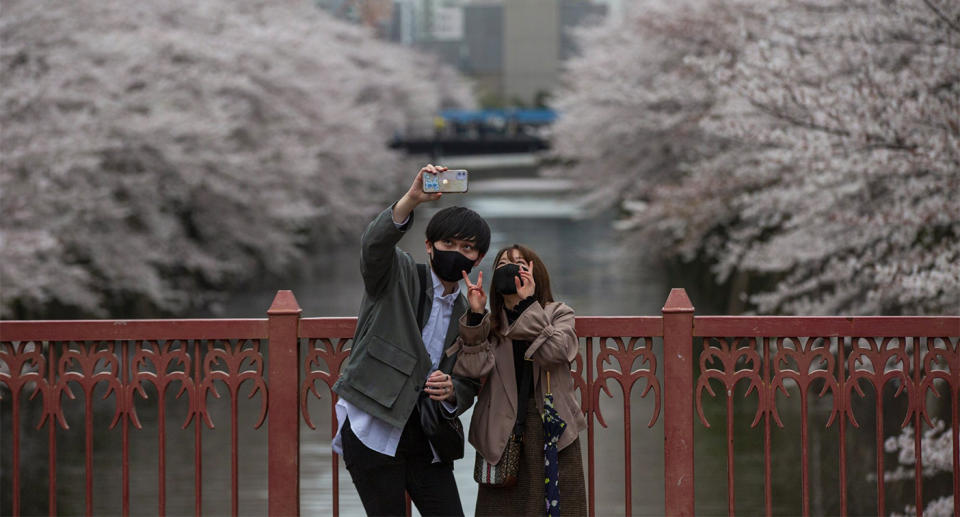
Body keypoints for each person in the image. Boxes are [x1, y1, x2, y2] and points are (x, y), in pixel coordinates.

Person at [331, 164, 490, 516]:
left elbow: (468, 382)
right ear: (429, 245)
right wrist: (412, 199)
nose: (456, 252)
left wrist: (452, 393)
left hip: (426, 435)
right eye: (448, 243)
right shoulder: (397, 275)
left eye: (467, 247)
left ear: (478, 258)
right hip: (372, 425)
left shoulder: (469, 311)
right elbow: (374, 247)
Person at [452, 244, 588, 516]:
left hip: (551, 430)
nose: (512, 269)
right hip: (501, 433)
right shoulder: (489, 325)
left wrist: (527, 305)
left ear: (535, 273)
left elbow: (554, 354)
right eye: (503, 264)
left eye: (519, 263)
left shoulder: (558, 313)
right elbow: (472, 370)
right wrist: (476, 316)